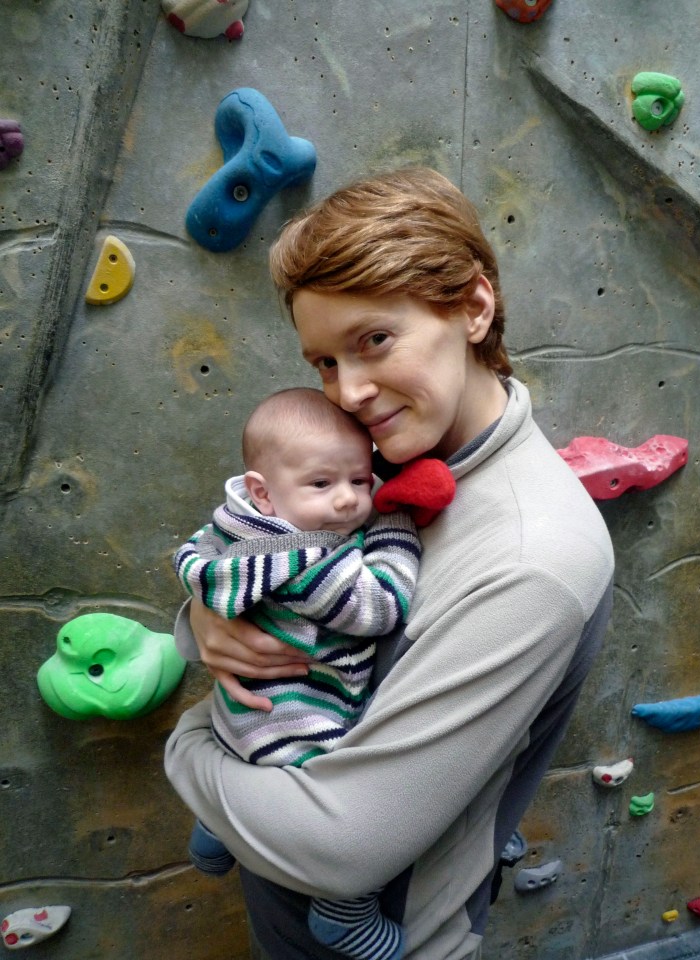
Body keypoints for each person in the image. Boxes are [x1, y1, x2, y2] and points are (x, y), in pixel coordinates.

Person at [165, 167, 615, 960]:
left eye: (374, 340)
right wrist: (201, 622)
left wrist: (191, 744)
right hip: (283, 903)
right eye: (325, 363)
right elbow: (277, 579)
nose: (350, 392)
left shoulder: (529, 557)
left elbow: (342, 846)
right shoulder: (381, 461)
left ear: (474, 308)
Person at [172, 386, 454, 960]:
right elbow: (378, 608)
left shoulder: (232, 526)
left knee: (242, 768)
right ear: (263, 492)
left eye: (359, 479)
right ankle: (342, 913)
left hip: (242, 718)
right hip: (299, 723)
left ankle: (215, 828)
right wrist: (392, 529)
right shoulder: (301, 560)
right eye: (322, 485)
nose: (349, 501)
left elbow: (191, 558)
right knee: (357, 820)